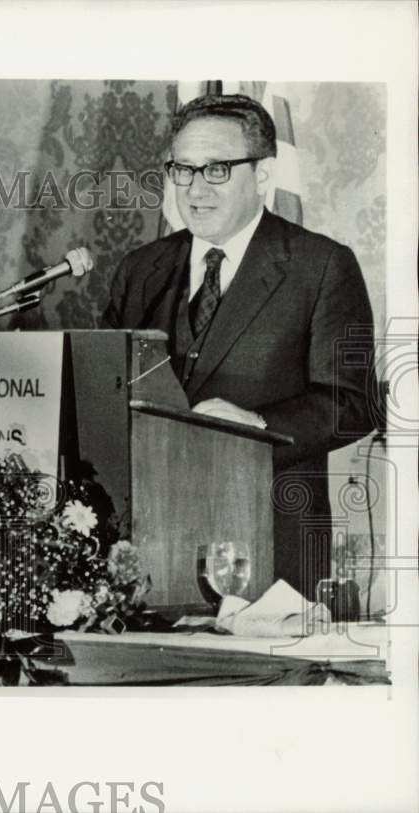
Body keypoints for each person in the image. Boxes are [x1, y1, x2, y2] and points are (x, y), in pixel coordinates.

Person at [102, 93, 377, 597]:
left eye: (217, 170)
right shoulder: (140, 270)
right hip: (152, 547)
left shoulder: (321, 266)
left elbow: (354, 403)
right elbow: (107, 392)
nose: (194, 189)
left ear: (263, 175)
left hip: (272, 546)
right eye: (182, 170)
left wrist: (259, 425)